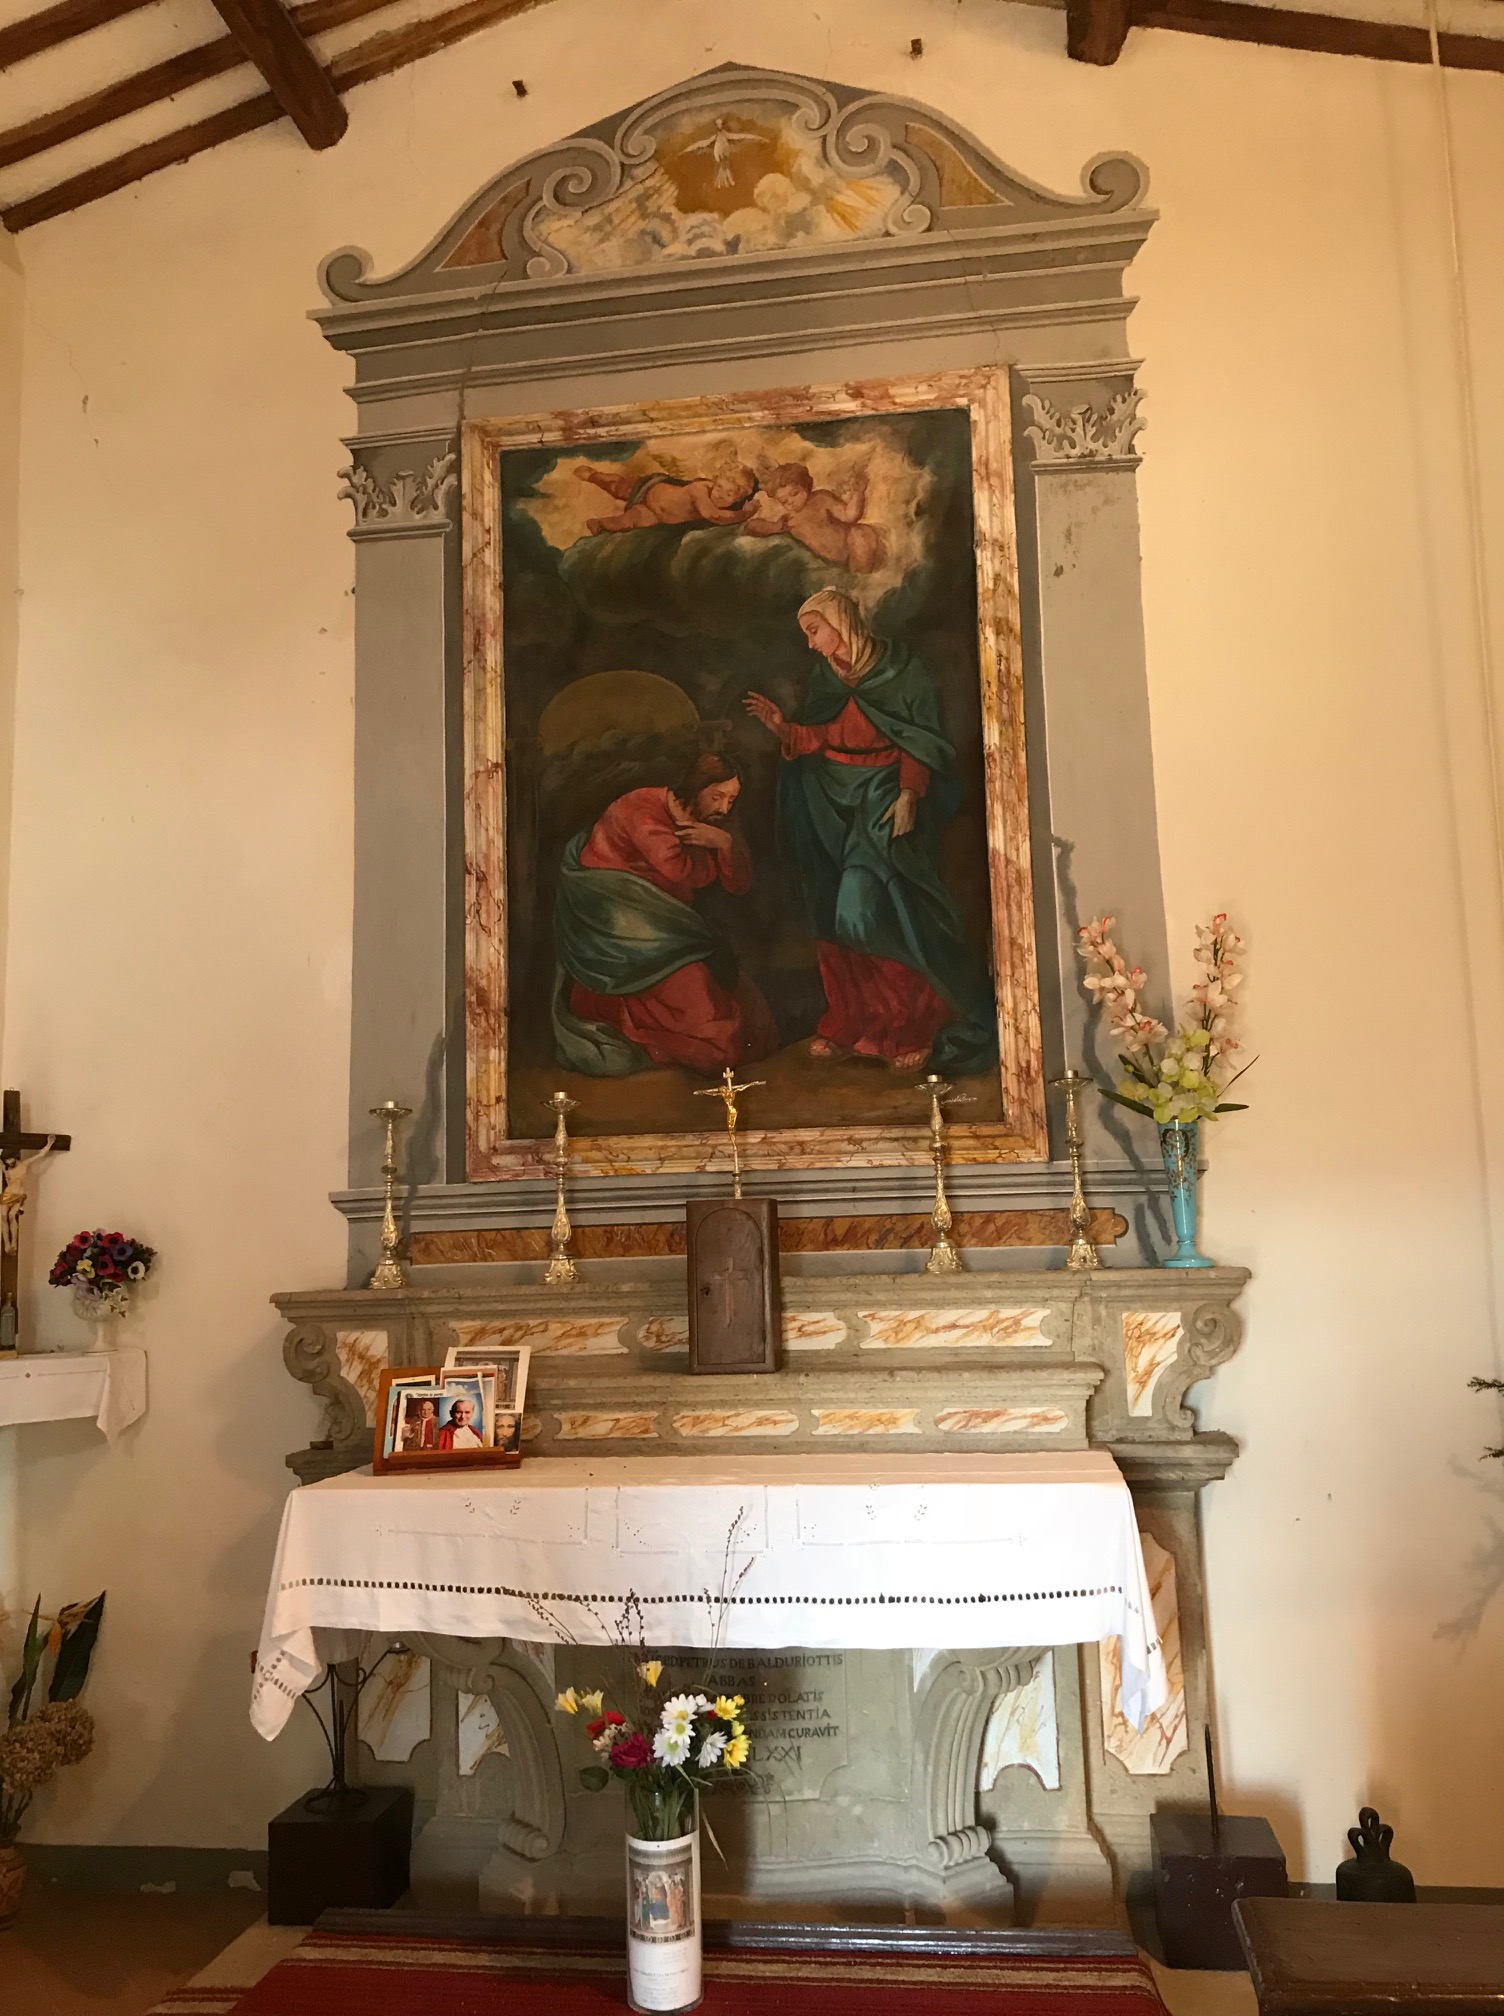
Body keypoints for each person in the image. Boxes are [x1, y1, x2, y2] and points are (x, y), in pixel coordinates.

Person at [743, 589, 997, 1074]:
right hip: (831, 801)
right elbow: (824, 737)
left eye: (814, 631)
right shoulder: (827, 677)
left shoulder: (904, 671)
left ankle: (913, 1026)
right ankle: (853, 1022)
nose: (811, 644)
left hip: (885, 796)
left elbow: (921, 740)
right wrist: (782, 728)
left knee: (870, 912)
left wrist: (909, 795)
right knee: (832, 911)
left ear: (840, 622)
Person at [553, 752, 777, 1076]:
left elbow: (740, 882)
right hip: (621, 924)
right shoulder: (642, 810)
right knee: (719, 1042)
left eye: (731, 800)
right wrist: (716, 850)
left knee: (752, 1024)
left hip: (666, 926)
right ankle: (612, 1013)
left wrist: (725, 844)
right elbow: (681, 869)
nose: (725, 808)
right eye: (717, 796)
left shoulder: (710, 821)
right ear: (695, 787)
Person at [742, 460, 886, 574]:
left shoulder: (821, 499)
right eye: (784, 501)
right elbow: (751, 527)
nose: (790, 502)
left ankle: (864, 580)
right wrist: (774, 527)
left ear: (805, 486)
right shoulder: (788, 519)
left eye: (794, 493)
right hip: (834, 561)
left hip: (852, 544)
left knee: (858, 534)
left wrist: (859, 492)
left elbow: (849, 516)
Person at [573, 462, 760, 535]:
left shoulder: (725, 509)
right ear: (714, 481)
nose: (720, 494)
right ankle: (593, 476)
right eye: (719, 487)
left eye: (729, 494)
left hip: (656, 515)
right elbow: (713, 515)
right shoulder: (700, 489)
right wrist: (744, 514)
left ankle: (599, 523)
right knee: (619, 487)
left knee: (627, 522)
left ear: (737, 498)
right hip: (652, 489)